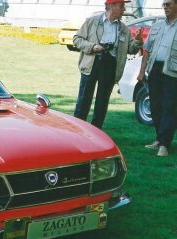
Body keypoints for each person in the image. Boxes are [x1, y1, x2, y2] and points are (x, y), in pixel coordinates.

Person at [73, 0, 144, 129]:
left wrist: (138, 41)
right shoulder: (92, 22)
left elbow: (131, 49)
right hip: (92, 64)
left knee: (102, 102)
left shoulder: (123, 29)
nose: (124, 9)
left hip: (110, 66)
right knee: (84, 99)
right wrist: (92, 46)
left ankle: (96, 133)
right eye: (121, 6)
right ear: (111, 6)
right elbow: (77, 39)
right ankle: (77, 131)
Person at [137, 0, 177, 157]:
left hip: (172, 71)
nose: (165, 7)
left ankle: (165, 145)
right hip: (155, 70)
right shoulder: (158, 26)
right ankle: (159, 139)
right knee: (155, 106)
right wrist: (141, 71)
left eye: (169, 4)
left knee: (169, 107)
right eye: (164, 5)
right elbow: (146, 49)